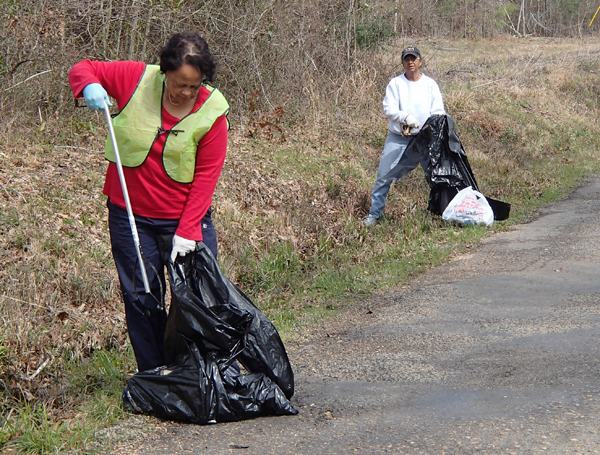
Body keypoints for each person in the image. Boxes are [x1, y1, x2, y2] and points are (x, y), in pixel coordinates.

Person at [68, 32, 229, 372]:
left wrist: (188, 230)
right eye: (179, 83)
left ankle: (195, 374)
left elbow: (207, 176)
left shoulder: (213, 110)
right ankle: (156, 376)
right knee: (142, 298)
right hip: (130, 216)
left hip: (185, 220)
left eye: (194, 85)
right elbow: (83, 68)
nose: (186, 92)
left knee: (196, 299)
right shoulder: (136, 79)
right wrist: (88, 86)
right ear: (165, 71)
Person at [363, 46, 445, 226]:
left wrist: (429, 127)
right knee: (384, 176)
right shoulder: (395, 84)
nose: (410, 62)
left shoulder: (430, 84)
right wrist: (405, 118)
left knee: (437, 176)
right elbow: (389, 109)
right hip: (399, 137)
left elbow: (439, 111)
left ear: (420, 61)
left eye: (413, 59)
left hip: (425, 139)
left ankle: (445, 212)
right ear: (402, 63)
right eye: (406, 59)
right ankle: (374, 215)